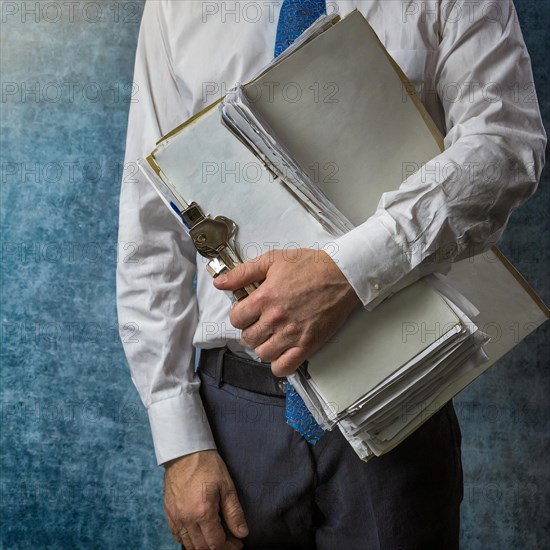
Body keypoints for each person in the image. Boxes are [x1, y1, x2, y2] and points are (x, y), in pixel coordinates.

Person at [117, 1, 546, 548]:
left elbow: (506, 143)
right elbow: (152, 220)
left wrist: (346, 271)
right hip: (234, 418)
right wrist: (179, 440)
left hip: (403, 392)